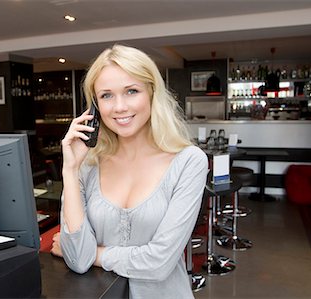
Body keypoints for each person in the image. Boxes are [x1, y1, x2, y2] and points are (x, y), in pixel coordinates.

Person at [51, 44, 208, 298]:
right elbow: (78, 260)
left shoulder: (189, 162)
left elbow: (159, 263)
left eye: (131, 91)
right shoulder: (87, 165)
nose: (119, 107)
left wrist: (97, 253)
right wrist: (70, 169)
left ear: (152, 94)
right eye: (106, 96)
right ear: (95, 107)